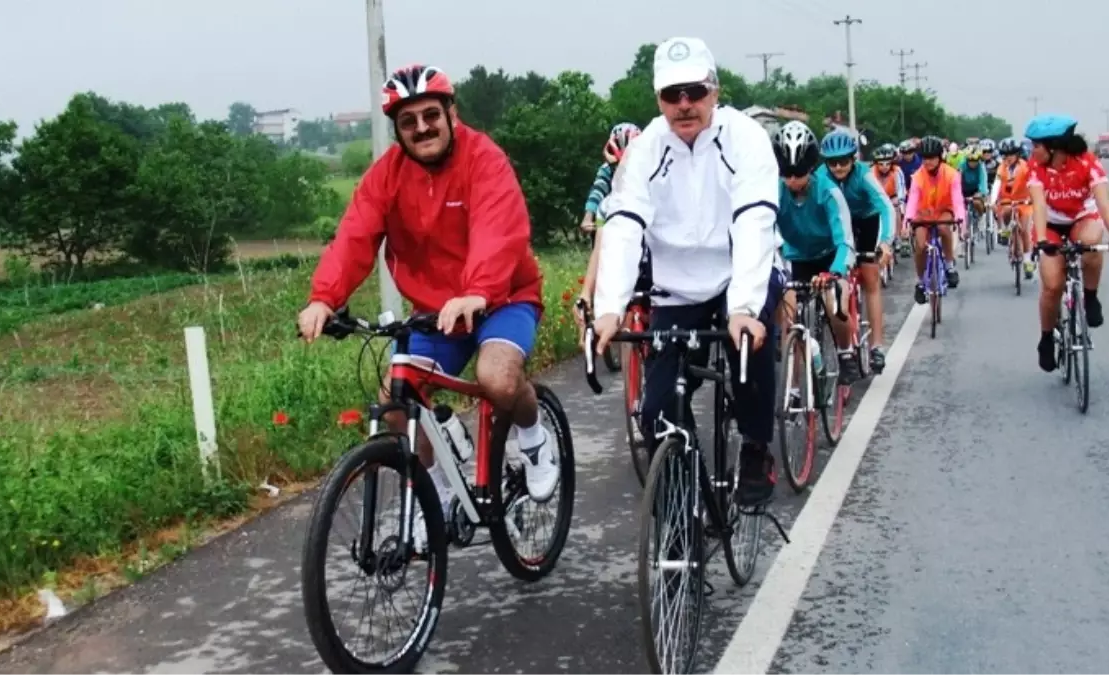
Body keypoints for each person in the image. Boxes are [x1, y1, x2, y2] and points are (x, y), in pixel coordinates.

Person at [298, 64, 561, 534]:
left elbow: (498, 230)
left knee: (497, 378)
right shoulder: (387, 177)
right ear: (397, 130)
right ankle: (436, 488)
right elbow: (354, 236)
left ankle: (534, 436)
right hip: (438, 312)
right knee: (396, 403)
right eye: (408, 121)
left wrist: (478, 290)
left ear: (450, 113)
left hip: (503, 296)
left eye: (430, 115)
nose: (422, 128)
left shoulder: (485, 159)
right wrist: (324, 298)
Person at [591, 36, 782, 507]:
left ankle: (756, 448)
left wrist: (743, 308)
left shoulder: (746, 138)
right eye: (671, 94)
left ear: (714, 90)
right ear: (658, 98)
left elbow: (755, 220)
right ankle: (688, 507)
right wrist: (609, 307)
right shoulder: (645, 150)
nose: (684, 105)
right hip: (676, 290)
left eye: (695, 91)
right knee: (656, 412)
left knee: (749, 349)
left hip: (741, 271)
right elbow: (623, 226)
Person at [1023, 114, 1109, 372]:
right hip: (1050, 223)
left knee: (1093, 240)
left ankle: (1091, 298)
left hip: (1081, 218)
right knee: (1052, 285)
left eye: (1036, 145)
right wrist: (1040, 241)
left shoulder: (1087, 162)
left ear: (1053, 147)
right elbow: (1038, 205)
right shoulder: (1036, 166)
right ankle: (1047, 338)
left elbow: (1104, 202)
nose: (1031, 150)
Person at [771, 121, 852, 386]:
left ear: (811, 168)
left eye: (800, 173)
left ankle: (845, 352)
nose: (793, 180)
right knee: (787, 317)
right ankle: (793, 388)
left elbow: (845, 241)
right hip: (795, 259)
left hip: (829, 257)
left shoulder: (827, 191)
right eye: (787, 173)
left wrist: (835, 271)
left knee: (833, 303)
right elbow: (762, 234)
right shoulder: (773, 192)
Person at [817, 130, 896, 378]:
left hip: (866, 222)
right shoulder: (820, 177)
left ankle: (876, 346)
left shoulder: (864, 175)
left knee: (870, 277)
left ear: (854, 159)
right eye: (832, 162)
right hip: (839, 226)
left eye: (844, 160)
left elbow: (885, 206)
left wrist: (885, 243)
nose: (838, 167)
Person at [577, 122, 650, 327]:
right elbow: (597, 191)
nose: (624, 176)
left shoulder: (656, 187)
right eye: (618, 169)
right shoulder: (607, 203)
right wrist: (586, 294)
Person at [904, 136, 965, 304]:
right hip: (923, 213)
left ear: (940, 157)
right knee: (921, 245)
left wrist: (961, 221)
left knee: (944, 228)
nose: (927, 162)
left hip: (944, 211)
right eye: (924, 158)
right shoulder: (917, 176)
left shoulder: (952, 174)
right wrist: (907, 221)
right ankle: (921, 282)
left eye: (931, 158)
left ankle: (949, 265)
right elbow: (912, 202)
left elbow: (958, 201)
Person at [989, 137, 1036, 278]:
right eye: (1005, 155)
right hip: (1007, 200)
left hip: (1024, 201)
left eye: (1011, 154)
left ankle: (1027, 260)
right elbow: (997, 184)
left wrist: (1034, 198)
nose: (1007, 158)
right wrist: (992, 200)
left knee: (1025, 231)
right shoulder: (1001, 167)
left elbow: (1033, 183)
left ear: (1017, 154)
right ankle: (1005, 230)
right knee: (1007, 210)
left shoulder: (1025, 166)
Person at [870, 143, 907, 280]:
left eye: (887, 163)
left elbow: (901, 190)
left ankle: (896, 237)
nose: (884, 167)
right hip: (878, 200)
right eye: (881, 164)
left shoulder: (897, 172)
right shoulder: (871, 173)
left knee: (895, 210)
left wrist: (900, 200)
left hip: (893, 198)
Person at [958, 149, 990, 245]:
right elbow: (957, 179)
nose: (973, 163)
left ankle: (980, 218)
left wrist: (981, 192)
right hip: (963, 190)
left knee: (977, 203)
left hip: (976, 190)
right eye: (970, 161)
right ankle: (961, 229)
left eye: (975, 161)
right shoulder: (962, 165)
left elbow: (983, 181)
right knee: (960, 208)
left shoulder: (981, 167)